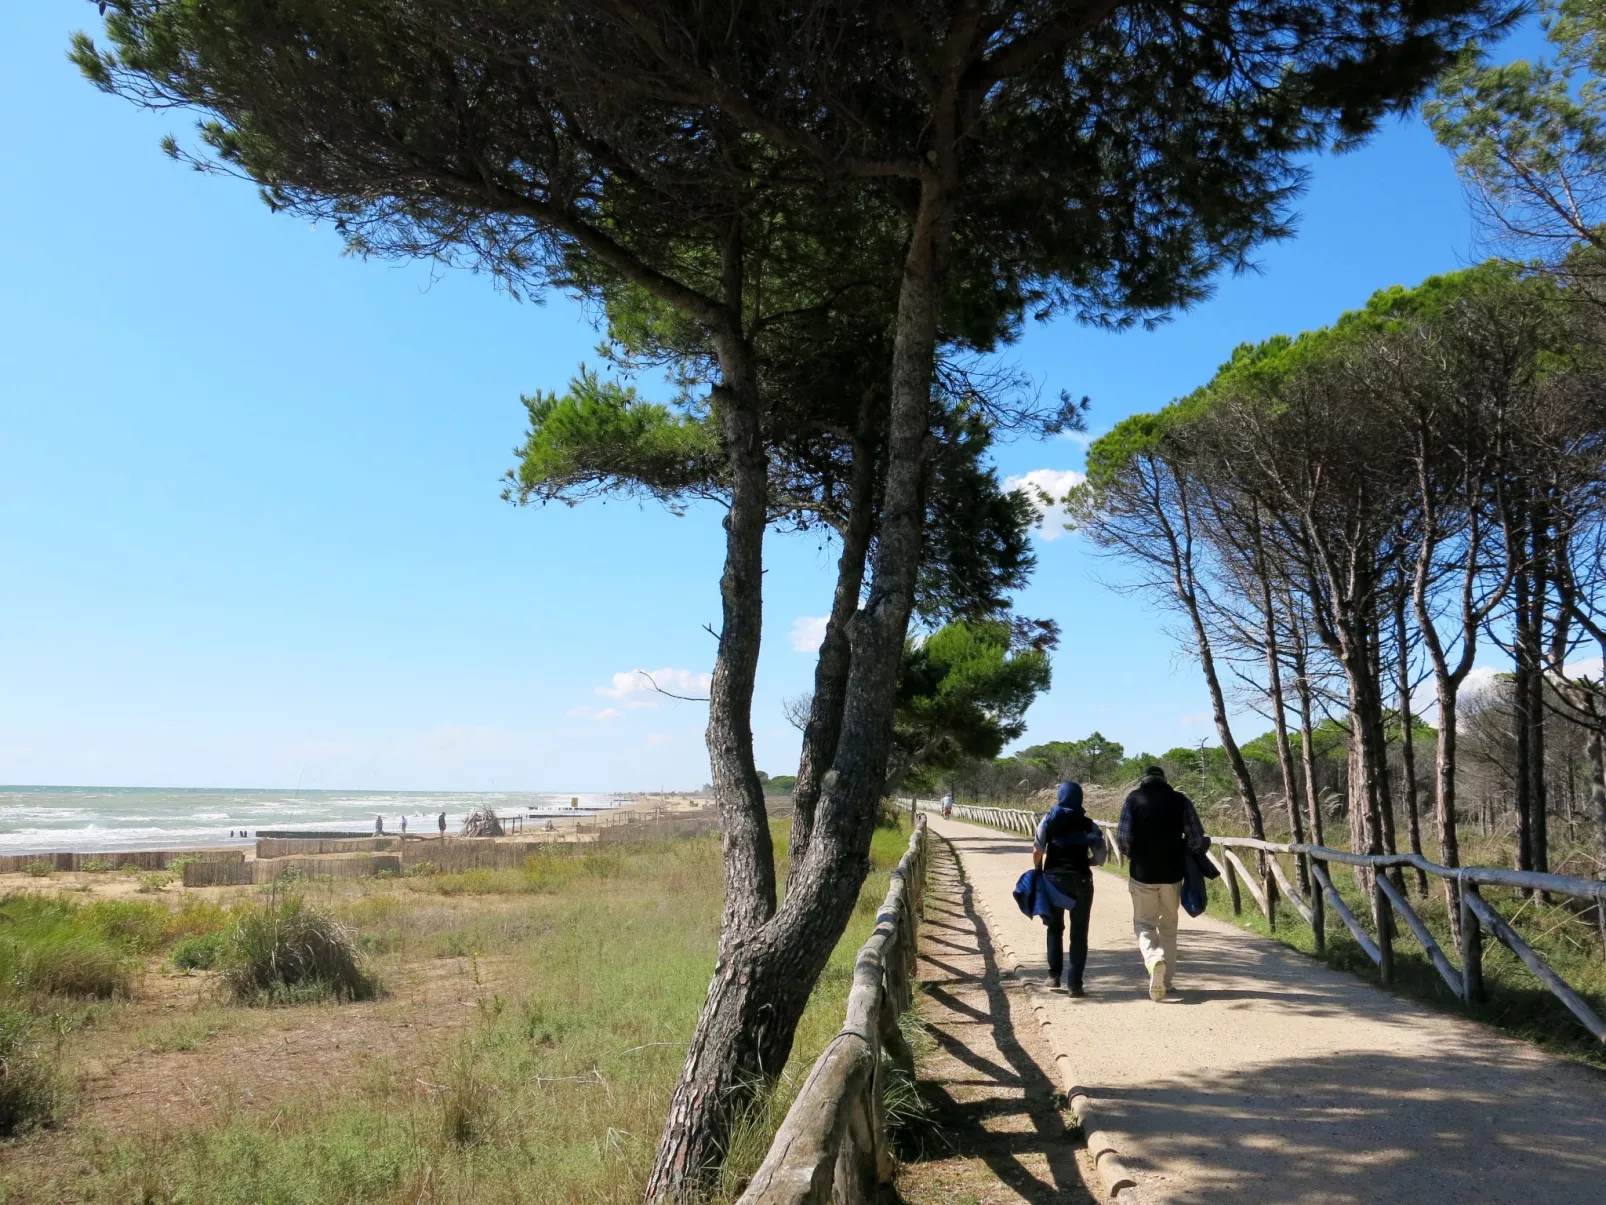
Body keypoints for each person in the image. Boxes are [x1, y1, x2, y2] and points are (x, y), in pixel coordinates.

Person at [1115, 766, 1210, 1001]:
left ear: (1144, 781)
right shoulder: (1181, 800)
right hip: (1172, 874)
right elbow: (1196, 836)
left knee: (1144, 924)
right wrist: (1187, 854)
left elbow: (1124, 837)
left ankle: (1153, 960)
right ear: (1164, 780)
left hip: (1142, 873)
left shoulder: (1133, 799)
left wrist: (1133, 854)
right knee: (1169, 927)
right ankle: (1166, 983)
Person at [1033, 781, 1106, 996]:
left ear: (1060, 796)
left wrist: (1038, 869)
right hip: (1082, 880)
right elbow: (1101, 855)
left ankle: (1054, 976)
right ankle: (1075, 984)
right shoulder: (1088, 824)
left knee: (1054, 928)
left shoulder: (1049, 819)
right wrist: (1089, 862)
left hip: (1054, 880)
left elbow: (1038, 849)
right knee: (1079, 933)